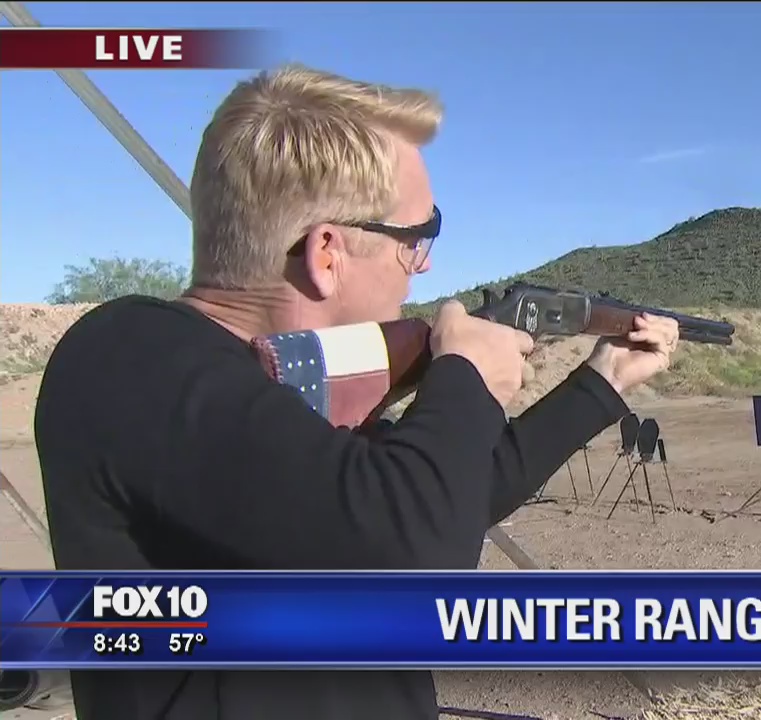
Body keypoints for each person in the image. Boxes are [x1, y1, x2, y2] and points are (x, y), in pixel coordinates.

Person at [33, 64, 680, 720]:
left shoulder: (286, 387)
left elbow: (444, 499)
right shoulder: (131, 359)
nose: (423, 267)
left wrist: (604, 382)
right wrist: (465, 376)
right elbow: (417, 559)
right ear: (328, 254)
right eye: (416, 240)